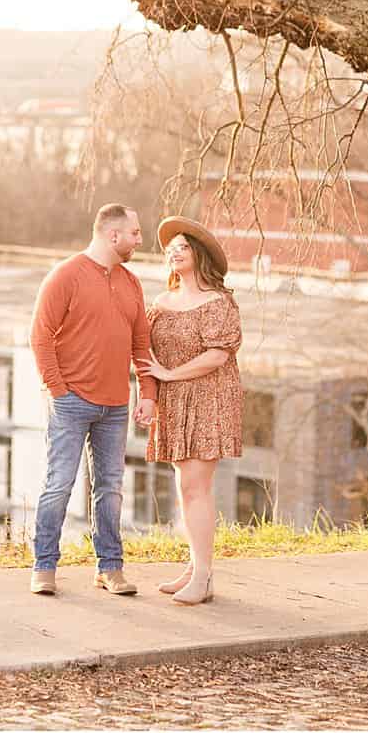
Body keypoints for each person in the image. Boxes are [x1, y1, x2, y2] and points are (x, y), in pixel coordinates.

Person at [28, 203, 158, 597]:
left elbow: (142, 345)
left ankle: (110, 568)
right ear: (112, 235)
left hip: (116, 406)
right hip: (71, 403)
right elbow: (41, 336)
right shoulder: (65, 276)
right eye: (135, 233)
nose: (140, 239)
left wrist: (148, 394)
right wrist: (58, 390)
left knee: (111, 489)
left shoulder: (132, 283)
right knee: (59, 484)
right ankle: (44, 566)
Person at [137, 216, 244, 606]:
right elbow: (143, 353)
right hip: (176, 402)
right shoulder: (160, 305)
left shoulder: (218, 302)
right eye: (170, 247)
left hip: (208, 397)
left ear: (198, 254)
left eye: (182, 246)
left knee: (196, 487)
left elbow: (217, 355)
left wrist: (171, 373)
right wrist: (148, 392)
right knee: (186, 489)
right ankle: (195, 566)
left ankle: (203, 576)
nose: (173, 251)